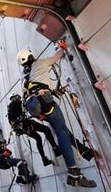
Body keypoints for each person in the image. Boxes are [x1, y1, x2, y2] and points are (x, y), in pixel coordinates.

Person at [16, 44, 97, 188]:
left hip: (34, 107)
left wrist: (42, 109)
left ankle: (83, 151)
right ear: (31, 56)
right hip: (44, 101)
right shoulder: (39, 63)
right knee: (62, 132)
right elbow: (57, 57)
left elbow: (34, 89)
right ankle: (74, 174)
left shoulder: (24, 77)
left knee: (62, 129)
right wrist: (63, 46)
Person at [8, 93, 95, 163]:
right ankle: (83, 152)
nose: (19, 99)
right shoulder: (17, 103)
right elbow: (31, 106)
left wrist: (38, 117)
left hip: (28, 124)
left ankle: (52, 152)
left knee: (43, 136)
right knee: (62, 132)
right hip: (45, 115)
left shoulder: (12, 108)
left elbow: (28, 112)